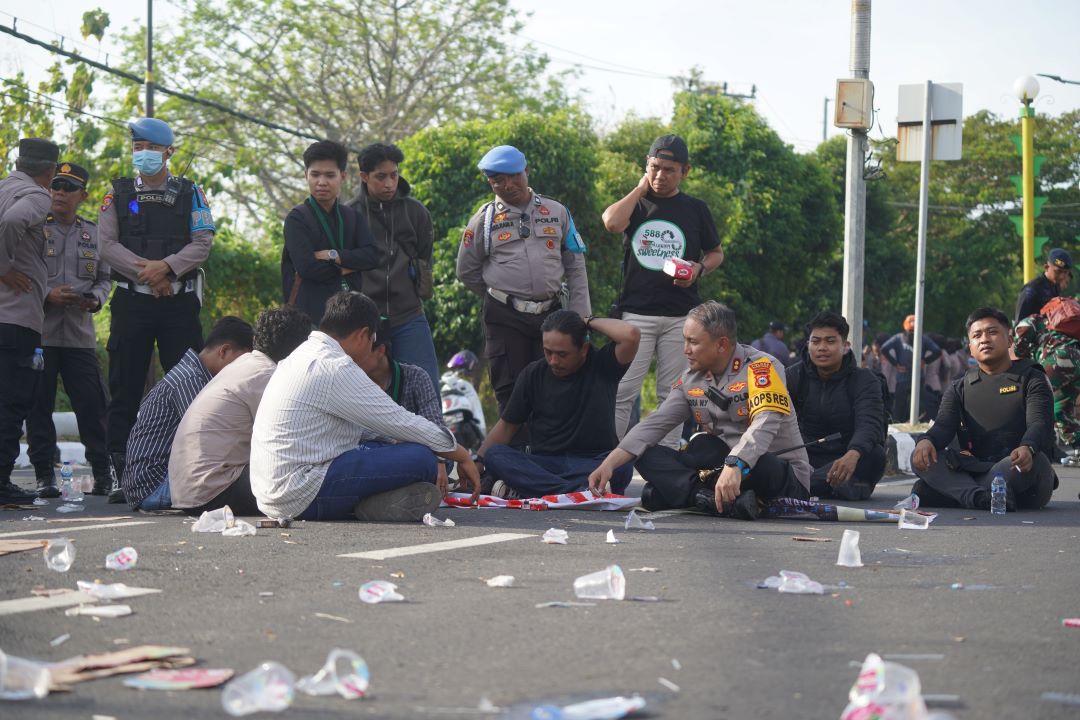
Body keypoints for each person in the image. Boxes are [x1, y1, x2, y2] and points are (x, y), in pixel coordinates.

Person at [250, 291, 480, 522]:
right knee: (422, 458)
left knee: (391, 444)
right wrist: (462, 455)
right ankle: (370, 505)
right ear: (363, 335)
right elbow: (400, 421)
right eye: (372, 340)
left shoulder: (300, 355)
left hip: (271, 493)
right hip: (300, 493)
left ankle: (371, 502)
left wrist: (399, 439)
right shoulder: (337, 367)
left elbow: (371, 429)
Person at [589, 302, 811, 521]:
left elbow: (765, 423)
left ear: (722, 345)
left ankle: (691, 495)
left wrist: (736, 463)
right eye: (684, 340)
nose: (685, 350)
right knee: (655, 452)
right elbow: (654, 425)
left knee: (760, 461)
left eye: (693, 342)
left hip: (775, 474)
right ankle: (705, 497)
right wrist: (609, 463)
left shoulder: (762, 367)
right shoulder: (691, 378)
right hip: (725, 470)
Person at [99, 117, 216, 504]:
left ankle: (189, 468)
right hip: (132, 302)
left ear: (169, 152)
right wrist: (150, 274)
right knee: (124, 387)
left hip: (177, 304)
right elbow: (106, 244)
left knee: (190, 385)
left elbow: (202, 242)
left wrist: (166, 268)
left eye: (150, 147)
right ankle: (122, 474)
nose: (143, 154)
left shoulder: (190, 192)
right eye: (137, 147)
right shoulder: (116, 193)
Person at [601, 134, 725, 449]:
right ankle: (605, 461)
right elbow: (611, 223)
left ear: (686, 171)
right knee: (622, 391)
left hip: (680, 316)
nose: (660, 175)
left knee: (671, 395)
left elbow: (715, 252)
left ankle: (665, 461)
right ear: (647, 164)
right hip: (635, 315)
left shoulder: (695, 208)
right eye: (655, 167)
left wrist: (699, 269)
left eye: (669, 169)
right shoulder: (636, 203)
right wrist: (641, 187)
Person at [456, 144, 591, 422]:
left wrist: (580, 318)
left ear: (526, 171)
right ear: (490, 182)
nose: (507, 185)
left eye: (514, 176)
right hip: (505, 318)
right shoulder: (483, 221)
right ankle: (514, 458)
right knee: (511, 390)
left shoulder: (557, 211)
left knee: (555, 386)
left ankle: (549, 454)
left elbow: (575, 267)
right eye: (498, 180)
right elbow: (466, 271)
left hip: (551, 315)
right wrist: (501, 295)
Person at [476, 310, 640, 499]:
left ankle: (534, 489)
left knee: (622, 466)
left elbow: (631, 335)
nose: (553, 361)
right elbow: (506, 426)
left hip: (593, 463)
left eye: (562, 354)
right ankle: (580, 491)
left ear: (584, 349)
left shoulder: (603, 365)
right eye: (548, 352)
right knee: (496, 455)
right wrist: (477, 461)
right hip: (545, 463)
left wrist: (586, 321)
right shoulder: (533, 374)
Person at [168, 307, 310, 516]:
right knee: (307, 479)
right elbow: (296, 436)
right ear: (298, 351)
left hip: (189, 491)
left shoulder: (246, 364)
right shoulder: (266, 375)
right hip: (215, 490)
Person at [24, 163, 112, 498]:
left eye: (68, 187)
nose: (59, 191)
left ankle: (103, 474)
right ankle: (45, 475)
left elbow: (105, 279)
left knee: (93, 406)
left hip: (79, 335)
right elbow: (21, 271)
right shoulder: (34, 229)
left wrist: (94, 300)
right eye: (56, 185)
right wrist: (47, 293)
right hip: (40, 333)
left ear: (82, 195)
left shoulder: (94, 233)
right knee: (38, 405)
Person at [910, 307, 1056, 511]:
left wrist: (1028, 447)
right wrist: (926, 441)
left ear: (1010, 340)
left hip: (1019, 467)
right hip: (978, 469)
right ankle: (980, 497)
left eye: (992, 332)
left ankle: (956, 492)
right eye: (977, 335)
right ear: (970, 347)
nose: (984, 339)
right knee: (920, 457)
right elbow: (943, 427)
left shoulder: (1033, 378)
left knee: (926, 490)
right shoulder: (959, 386)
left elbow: (1039, 423)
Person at [122, 317, 253, 510]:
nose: (243, 371)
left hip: (154, 482)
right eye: (242, 363)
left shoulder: (193, 374)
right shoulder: (190, 380)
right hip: (153, 486)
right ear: (223, 351)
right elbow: (211, 441)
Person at [348, 142, 440, 391]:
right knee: (363, 396)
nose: (389, 183)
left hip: (409, 315)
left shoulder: (416, 212)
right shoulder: (348, 215)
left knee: (426, 389)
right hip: (361, 324)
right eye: (380, 177)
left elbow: (424, 257)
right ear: (364, 177)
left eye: (393, 175)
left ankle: (431, 433)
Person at [0, 138, 58, 502]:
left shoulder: (4, 186)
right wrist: (4, 268)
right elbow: (12, 220)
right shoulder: (38, 196)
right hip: (16, 320)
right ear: (50, 170)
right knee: (11, 403)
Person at [785, 312, 887, 500]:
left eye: (830, 341)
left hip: (849, 457)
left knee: (876, 455)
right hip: (805, 457)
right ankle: (828, 485)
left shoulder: (865, 380)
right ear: (808, 345)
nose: (822, 348)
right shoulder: (793, 376)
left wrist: (853, 453)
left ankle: (801, 486)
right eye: (815, 342)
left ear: (845, 346)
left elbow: (870, 424)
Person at [282, 140, 379, 326]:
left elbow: (373, 256)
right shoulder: (297, 219)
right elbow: (307, 268)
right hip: (310, 318)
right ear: (306, 175)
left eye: (330, 175)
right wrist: (351, 265)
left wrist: (332, 255)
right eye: (315, 175)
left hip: (351, 315)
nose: (322, 182)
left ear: (342, 176)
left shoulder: (352, 216)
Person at [357, 318, 452, 490]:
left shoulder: (417, 377)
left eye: (362, 351)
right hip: (376, 451)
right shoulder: (352, 381)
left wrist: (440, 461)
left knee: (438, 458)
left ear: (380, 350)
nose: (353, 357)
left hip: (416, 452)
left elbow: (436, 426)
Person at [1014, 310, 1080, 462]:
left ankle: (1049, 448)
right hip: (1076, 359)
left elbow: (1020, 342)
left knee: (1036, 397)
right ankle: (1077, 445)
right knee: (1061, 410)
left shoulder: (1028, 321)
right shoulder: (1051, 327)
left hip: (1060, 358)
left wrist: (1018, 348)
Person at [880, 315, 940, 422]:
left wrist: (925, 361)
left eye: (914, 331)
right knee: (899, 406)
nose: (912, 334)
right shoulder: (898, 338)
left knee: (919, 406)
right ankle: (897, 425)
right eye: (910, 331)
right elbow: (884, 348)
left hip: (918, 378)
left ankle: (918, 422)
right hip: (903, 378)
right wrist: (896, 364)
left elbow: (937, 351)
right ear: (905, 329)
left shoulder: (923, 339)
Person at [1015, 248, 1072, 323]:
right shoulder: (1032, 289)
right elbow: (1020, 324)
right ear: (1046, 267)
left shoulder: (1055, 287)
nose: (1061, 276)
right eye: (1058, 272)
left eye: (1065, 273)